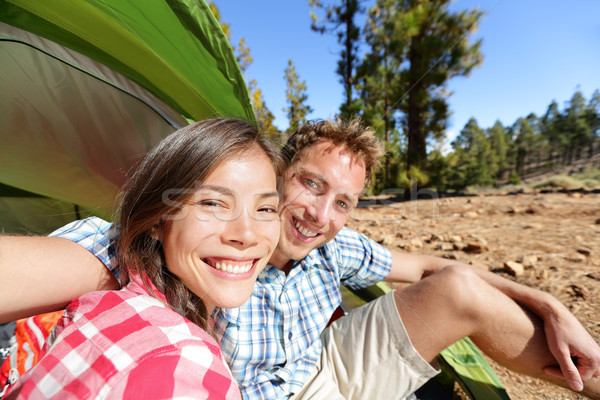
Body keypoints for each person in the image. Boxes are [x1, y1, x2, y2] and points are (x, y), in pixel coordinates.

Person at [2, 119, 600, 399]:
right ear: (278, 176)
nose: (319, 214)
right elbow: (94, 252)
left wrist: (546, 302)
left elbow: (424, 269)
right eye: (311, 186)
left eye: (343, 201)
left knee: (462, 287)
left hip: (328, 374)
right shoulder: (174, 251)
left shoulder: (336, 247)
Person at [2, 118, 282, 398]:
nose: (247, 234)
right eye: (212, 203)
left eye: (267, 208)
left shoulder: (120, 301)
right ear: (156, 221)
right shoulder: (188, 367)